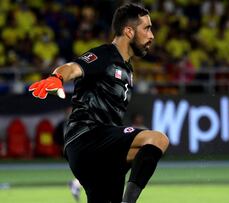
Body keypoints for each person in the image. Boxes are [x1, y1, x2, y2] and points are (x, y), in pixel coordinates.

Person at [29, 3, 169, 203]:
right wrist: (56, 78)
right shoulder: (105, 55)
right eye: (146, 28)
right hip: (87, 136)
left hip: (102, 151)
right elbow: (73, 67)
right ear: (129, 31)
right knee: (157, 139)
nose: (152, 35)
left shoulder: (128, 70)